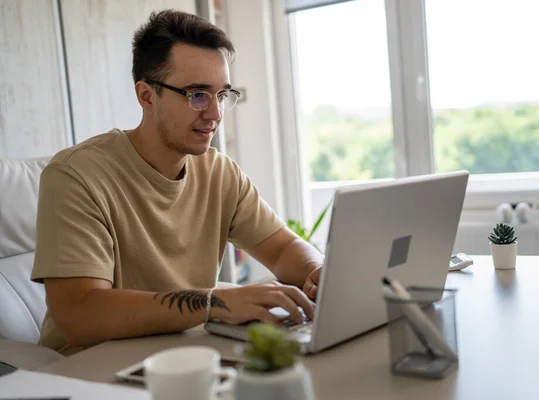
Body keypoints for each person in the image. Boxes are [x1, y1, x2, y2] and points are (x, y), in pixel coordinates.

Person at [30, 9, 324, 356]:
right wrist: (214, 304)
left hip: (185, 355)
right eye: (197, 95)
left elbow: (284, 249)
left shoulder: (220, 173)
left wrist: (317, 271)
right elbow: (79, 314)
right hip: (91, 371)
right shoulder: (76, 175)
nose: (215, 114)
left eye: (222, 95)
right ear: (147, 95)